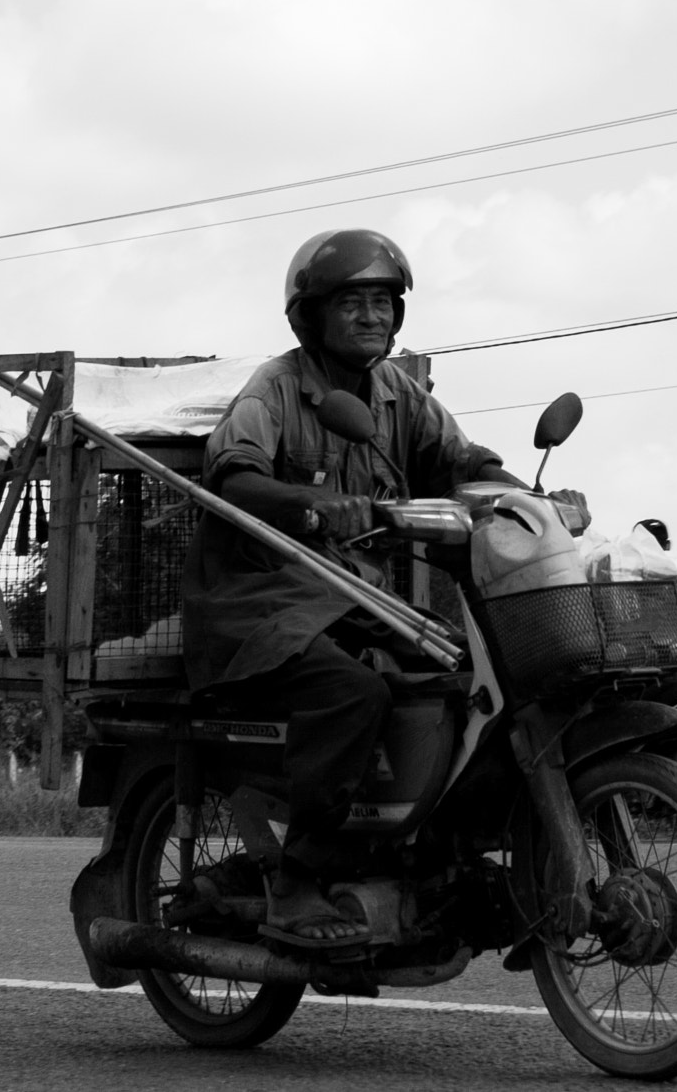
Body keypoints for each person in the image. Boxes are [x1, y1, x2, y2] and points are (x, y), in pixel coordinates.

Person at [182, 229, 522, 946]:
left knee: (459, 681)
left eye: (383, 303)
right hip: (262, 598)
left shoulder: (399, 394)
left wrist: (528, 500)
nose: (372, 317)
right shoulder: (275, 388)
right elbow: (234, 475)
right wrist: (306, 504)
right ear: (313, 314)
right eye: (353, 303)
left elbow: (461, 460)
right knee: (351, 694)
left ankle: (418, 852)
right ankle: (299, 879)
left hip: (352, 598)